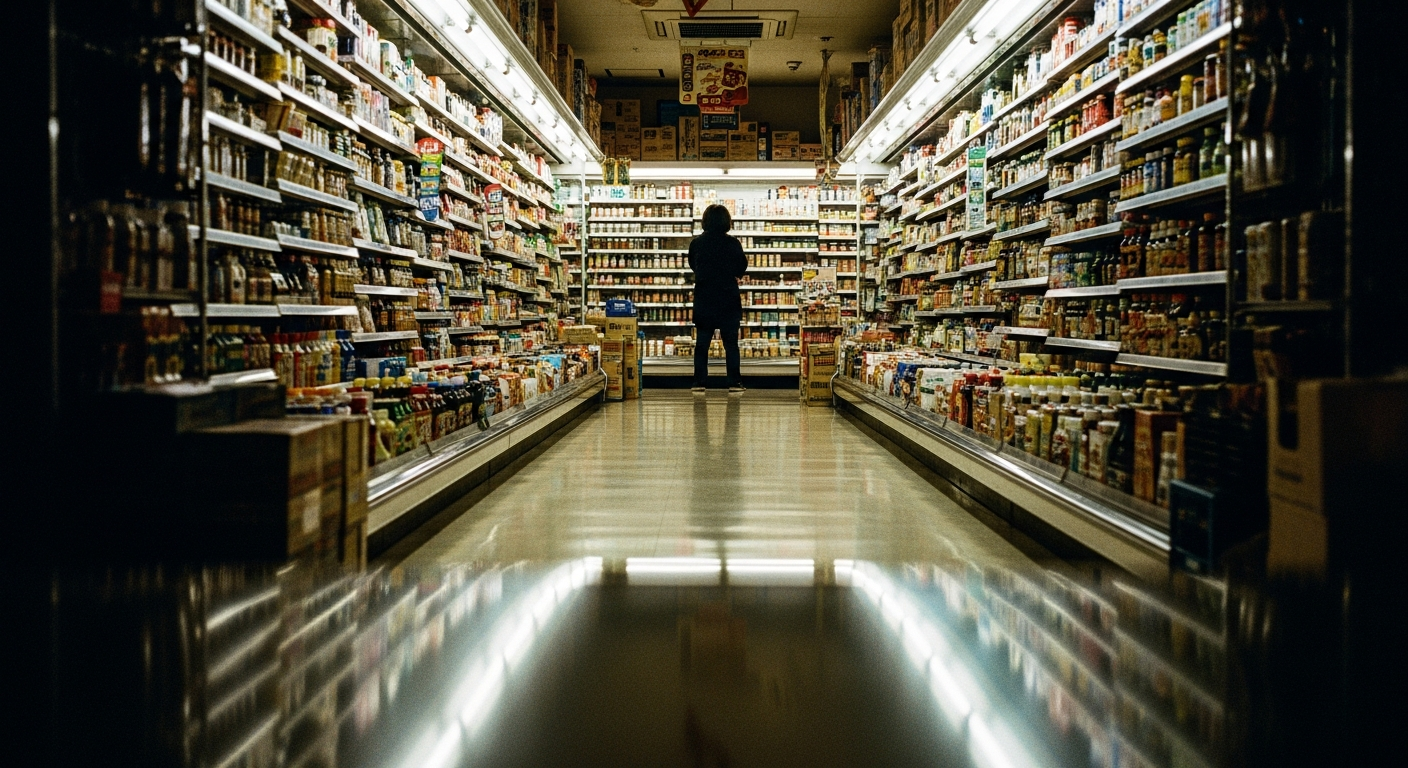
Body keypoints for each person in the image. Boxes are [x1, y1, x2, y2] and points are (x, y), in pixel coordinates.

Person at [689, 204, 748, 392]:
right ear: (726, 221)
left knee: (702, 343)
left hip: (705, 297)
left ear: (705, 220)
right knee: (731, 344)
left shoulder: (697, 243)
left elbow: (693, 266)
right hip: (727, 298)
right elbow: (741, 268)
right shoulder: (733, 244)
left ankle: (699, 382)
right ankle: (734, 382)